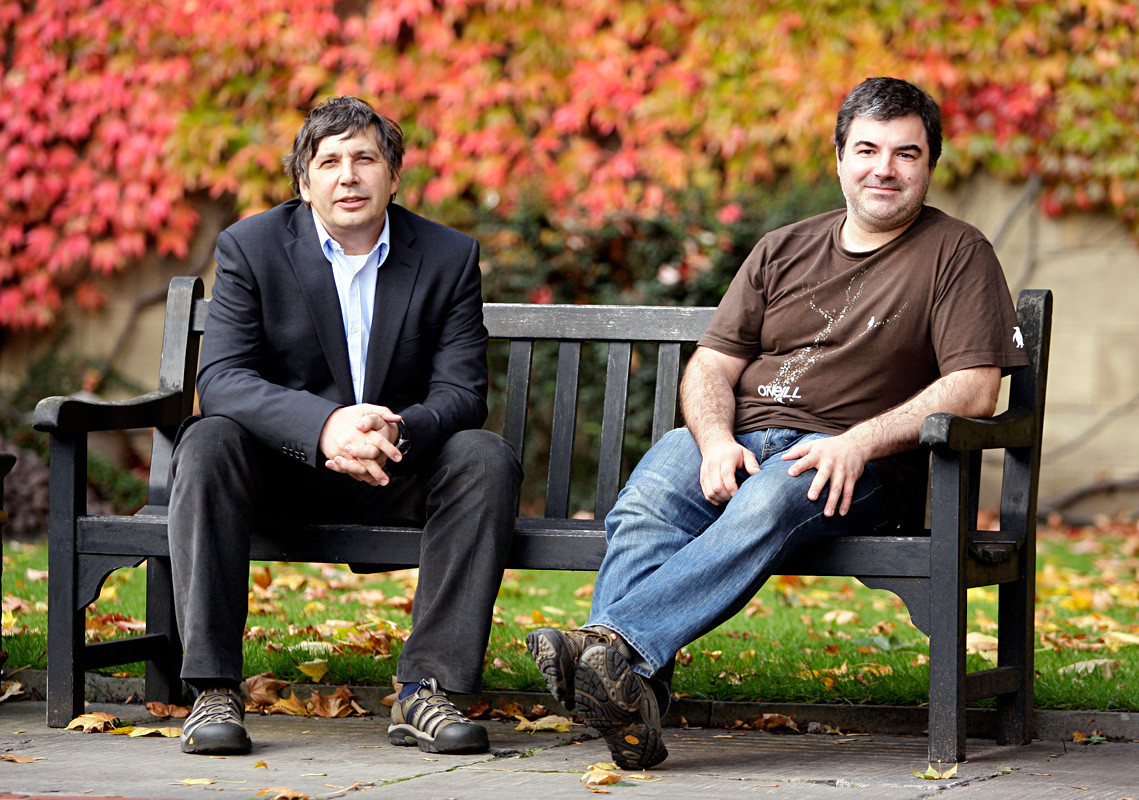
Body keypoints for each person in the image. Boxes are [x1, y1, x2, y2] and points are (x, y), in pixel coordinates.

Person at [525, 77, 1029, 770]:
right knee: (647, 500)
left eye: (906, 153)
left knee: (770, 497)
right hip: (744, 439)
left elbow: (973, 389)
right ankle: (631, 704)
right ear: (838, 157)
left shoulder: (956, 251)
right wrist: (713, 441)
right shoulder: (782, 248)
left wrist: (856, 442)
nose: (885, 168)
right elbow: (709, 367)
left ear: (929, 165)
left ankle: (609, 650)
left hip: (865, 464)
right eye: (868, 149)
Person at [168, 96, 521, 757]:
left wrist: (394, 431)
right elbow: (222, 380)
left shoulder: (446, 257)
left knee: (484, 457)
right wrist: (325, 425)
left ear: (394, 174)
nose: (347, 176)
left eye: (365, 158)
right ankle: (214, 687)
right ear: (304, 182)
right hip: (280, 471)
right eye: (327, 161)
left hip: (395, 466)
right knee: (209, 438)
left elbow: (461, 392)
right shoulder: (252, 247)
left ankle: (428, 691)